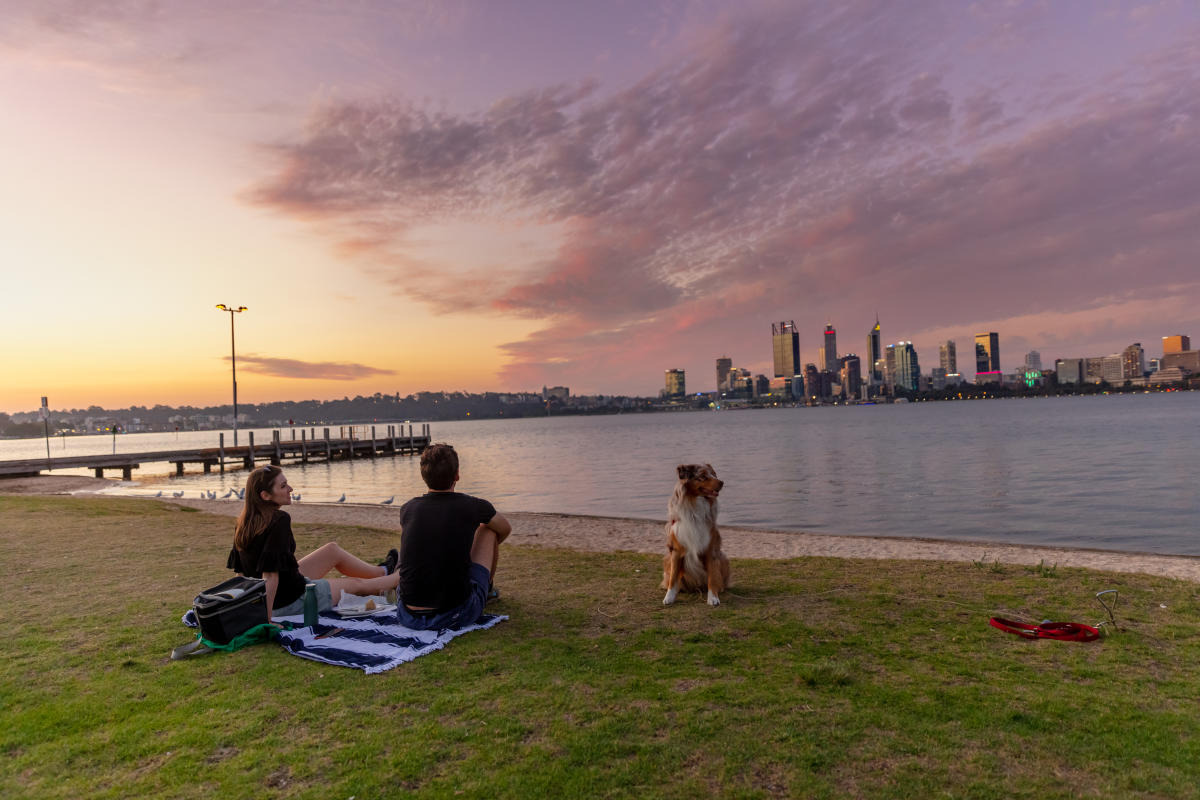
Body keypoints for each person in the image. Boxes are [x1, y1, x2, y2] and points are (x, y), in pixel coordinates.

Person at [227, 465, 400, 621]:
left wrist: (245, 606)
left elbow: (240, 575)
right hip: (289, 600)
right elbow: (270, 576)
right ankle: (404, 574)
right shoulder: (279, 520)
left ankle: (383, 571)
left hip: (282, 587)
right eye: (283, 486)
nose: (290, 489)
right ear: (265, 495)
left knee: (332, 550)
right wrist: (267, 619)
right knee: (357, 585)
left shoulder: (244, 522)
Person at [396, 442, 511, 631]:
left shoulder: (408, 508)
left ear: (423, 476)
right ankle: (487, 590)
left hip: (407, 613)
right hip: (454, 613)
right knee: (488, 530)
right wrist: (477, 554)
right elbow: (505, 529)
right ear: (457, 475)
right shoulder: (474, 506)